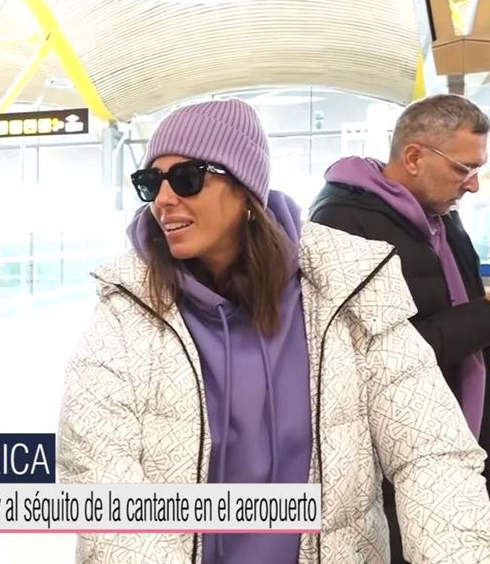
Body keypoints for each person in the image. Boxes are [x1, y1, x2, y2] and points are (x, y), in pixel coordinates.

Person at [58, 98, 490, 563]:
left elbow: (431, 453)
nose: (164, 199)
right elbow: (97, 475)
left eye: (187, 178)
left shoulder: (348, 285)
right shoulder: (126, 308)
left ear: (245, 190)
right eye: (151, 183)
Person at [310, 94, 490, 563]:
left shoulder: (441, 219)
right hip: (393, 462)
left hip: (460, 433)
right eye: (462, 169)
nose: (472, 186)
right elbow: (374, 357)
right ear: (413, 156)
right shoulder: (341, 223)